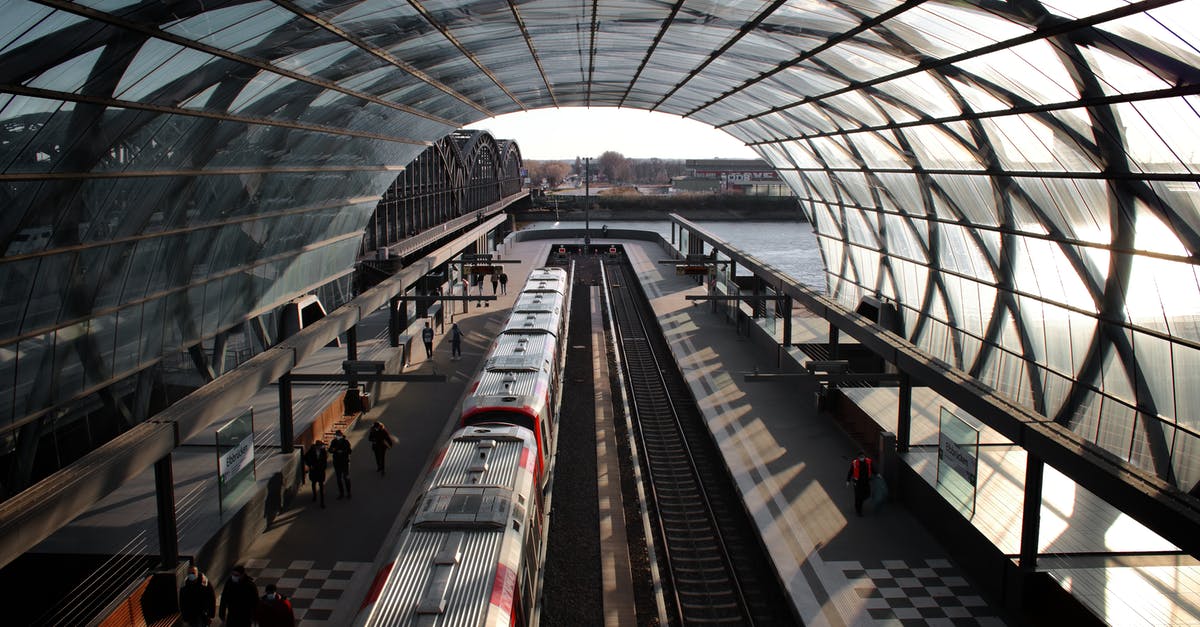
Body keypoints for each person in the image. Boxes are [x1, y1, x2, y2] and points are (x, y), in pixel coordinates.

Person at [846, 452, 875, 516]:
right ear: (858, 457)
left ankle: (858, 503)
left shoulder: (868, 461)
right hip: (857, 483)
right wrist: (848, 480)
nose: (861, 458)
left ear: (864, 456)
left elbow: (872, 469)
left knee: (867, 494)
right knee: (859, 496)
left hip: (866, 482)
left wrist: (877, 474)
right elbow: (850, 472)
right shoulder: (855, 463)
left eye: (862, 457)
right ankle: (858, 510)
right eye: (860, 457)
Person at [304, 440, 328, 507]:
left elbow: (325, 461)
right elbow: (305, 457)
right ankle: (314, 495)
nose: (320, 447)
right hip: (314, 470)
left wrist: (324, 467)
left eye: (320, 446)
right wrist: (310, 465)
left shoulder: (323, 451)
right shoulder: (311, 451)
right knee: (313, 483)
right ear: (316, 446)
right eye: (319, 446)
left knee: (321, 486)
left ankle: (322, 502)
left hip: (320, 471)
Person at [330, 429, 352, 499]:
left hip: (345, 462)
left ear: (341, 435)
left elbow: (349, 451)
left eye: (339, 435)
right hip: (337, 462)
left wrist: (342, 451)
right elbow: (330, 450)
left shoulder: (346, 442)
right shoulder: (334, 441)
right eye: (337, 435)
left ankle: (348, 492)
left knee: (346, 478)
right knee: (339, 479)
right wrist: (333, 450)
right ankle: (341, 493)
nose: (337, 436)